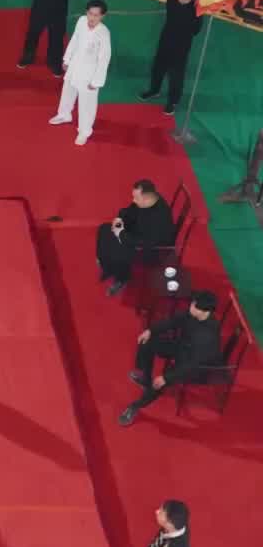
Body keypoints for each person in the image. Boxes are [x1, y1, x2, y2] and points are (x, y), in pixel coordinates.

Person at [118, 291, 224, 426]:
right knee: (147, 342)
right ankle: (145, 378)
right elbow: (172, 321)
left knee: (159, 384)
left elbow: (192, 365)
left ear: (204, 311)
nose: (190, 306)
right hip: (183, 347)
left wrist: (166, 378)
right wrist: (150, 331)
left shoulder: (207, 336)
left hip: (193, 365)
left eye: (194, 305)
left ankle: (135, 406)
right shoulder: (194, 314)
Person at [96, 179, 176, 296]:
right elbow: (130, 210)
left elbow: (146, 242)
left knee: (117, 248)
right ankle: (107, 266)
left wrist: (121, 235)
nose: (134, 200)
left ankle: (122, 278)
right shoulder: (147, 200)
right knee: (104, 229)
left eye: (136, 198)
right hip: (139, 232)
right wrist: (120, 219)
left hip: (151, 249)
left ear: (147, 198)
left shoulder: (160, 217)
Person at [140, 0, 203, 116]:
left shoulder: (197, 10)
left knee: (176, 76)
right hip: (166, 41)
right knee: (158, 68)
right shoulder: (171, 1)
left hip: (181, 47)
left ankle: (173, 102)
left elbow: (196, 31)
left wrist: (199, 10)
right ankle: (154, 90)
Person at [50, 0, 111, 146]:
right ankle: (64, 114)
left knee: (86, 103)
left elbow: (104, 59)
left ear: (102, 16)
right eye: (90, 13)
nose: (92, 18)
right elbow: (75, 40)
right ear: (86, 12)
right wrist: (67, 59)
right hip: (75, 65)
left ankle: (84, 131)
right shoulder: (82, 21)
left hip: (90, 73)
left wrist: (97, 81)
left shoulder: (103, 33)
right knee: (67, 91)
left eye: (96, 15)